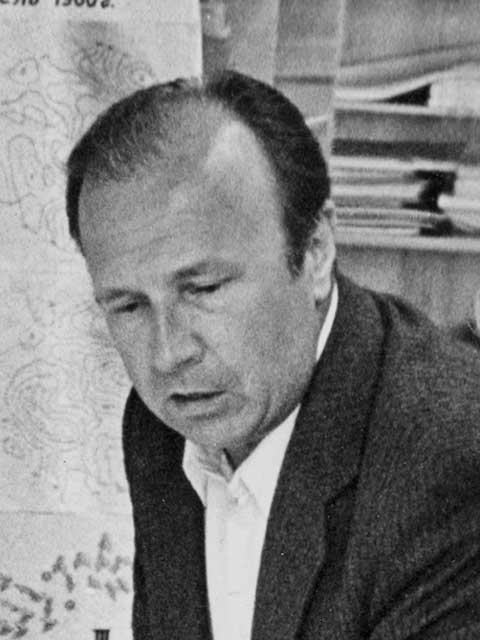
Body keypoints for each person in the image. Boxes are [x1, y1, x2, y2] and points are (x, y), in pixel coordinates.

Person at [66, 71, 480, 640]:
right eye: (130, 306)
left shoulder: (451, 461)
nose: (167, 355)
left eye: (203, 288)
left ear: (314, 252)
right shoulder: (159, 427)